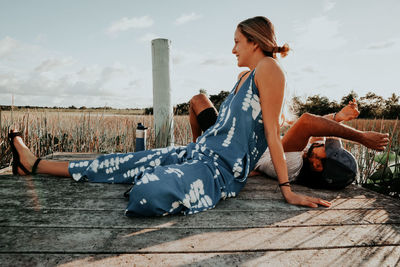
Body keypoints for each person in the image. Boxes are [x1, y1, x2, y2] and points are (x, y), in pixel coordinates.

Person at [9, 16, 381, 217]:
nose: (232, 48)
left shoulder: (270, 69)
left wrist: (287, 192)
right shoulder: (246, 77)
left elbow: (271, 133)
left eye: (237, 41)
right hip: (198, 153)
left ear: (254, 42)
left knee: (148, 191)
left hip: (217, 169)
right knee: (119, 161)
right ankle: (33, 163)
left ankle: (155, 178)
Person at [190, 95, 389, 188]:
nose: (324, 143)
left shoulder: (293, 164)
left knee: (198, 101)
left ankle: (201, 147)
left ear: (318, 166)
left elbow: (307, 122)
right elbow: (320, 131)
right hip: (240, 141)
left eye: (326, 150)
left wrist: (362, 138)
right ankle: (198, 144)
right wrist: (338, 116)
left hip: (231, 146)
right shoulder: (308, 157)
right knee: (199, 100)